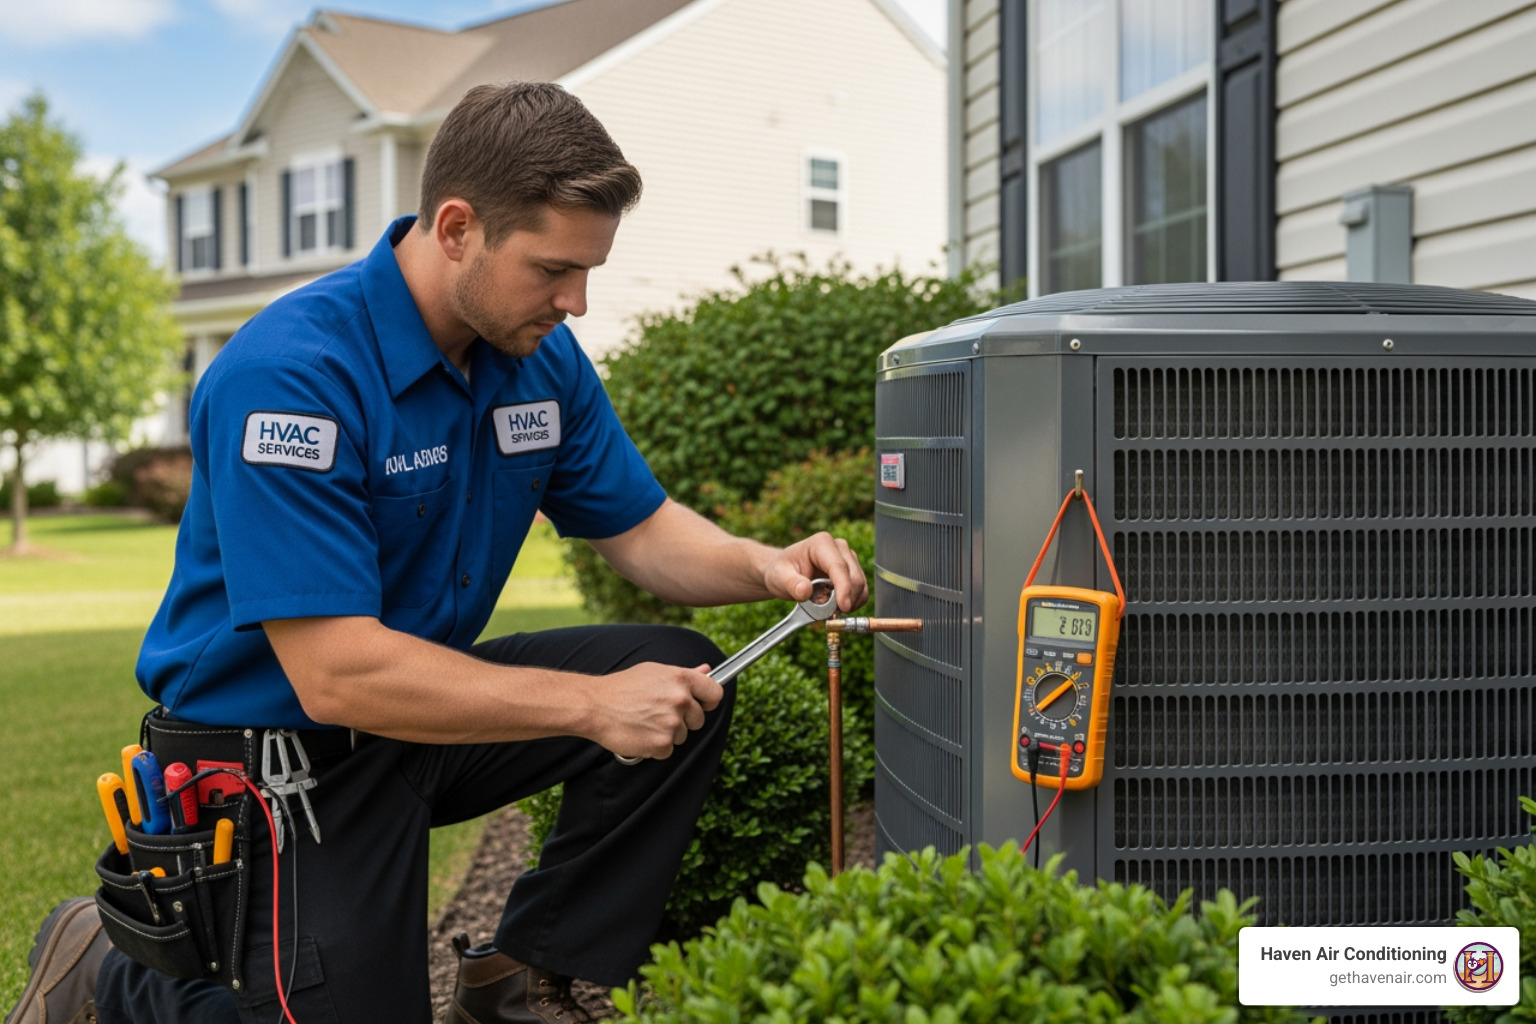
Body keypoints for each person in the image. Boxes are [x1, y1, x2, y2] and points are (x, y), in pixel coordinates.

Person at [8, 81, 865, 1024]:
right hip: (278, 763)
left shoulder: (539, 362)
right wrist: (588, 706)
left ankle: (521, 976)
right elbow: (338, 674)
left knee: (677, 671)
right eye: (552, 269)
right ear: (457, 227)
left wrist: (763, 564)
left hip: (424, 717)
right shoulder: (292, 376)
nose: (577, 301)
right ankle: (108, 969)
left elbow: (642, 527)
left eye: (589, 270)